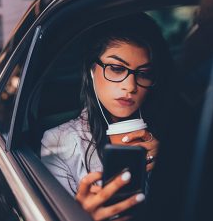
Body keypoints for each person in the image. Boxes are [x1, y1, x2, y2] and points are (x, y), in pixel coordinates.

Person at [41, 13, 171, 220]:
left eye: (144, 73)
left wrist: (167, 167)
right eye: (117, 68)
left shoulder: (169, 130)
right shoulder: (58, 141)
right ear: (91, 70)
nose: (130, 87)